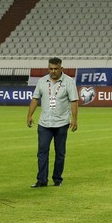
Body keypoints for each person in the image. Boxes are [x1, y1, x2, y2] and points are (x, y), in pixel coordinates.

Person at [26, 57, 78, 187]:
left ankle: (57, 179)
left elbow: (74, 101)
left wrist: (74, 119)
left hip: (61, 123)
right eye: (51, 69)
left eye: (56, 69)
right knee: (42, 152)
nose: (53, 71)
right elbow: (35, 99)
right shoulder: (42, 81)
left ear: (61, 68)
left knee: (60, 153)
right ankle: (41, 180)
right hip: (44, 123)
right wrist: (29, 115)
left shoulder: (69, 82)